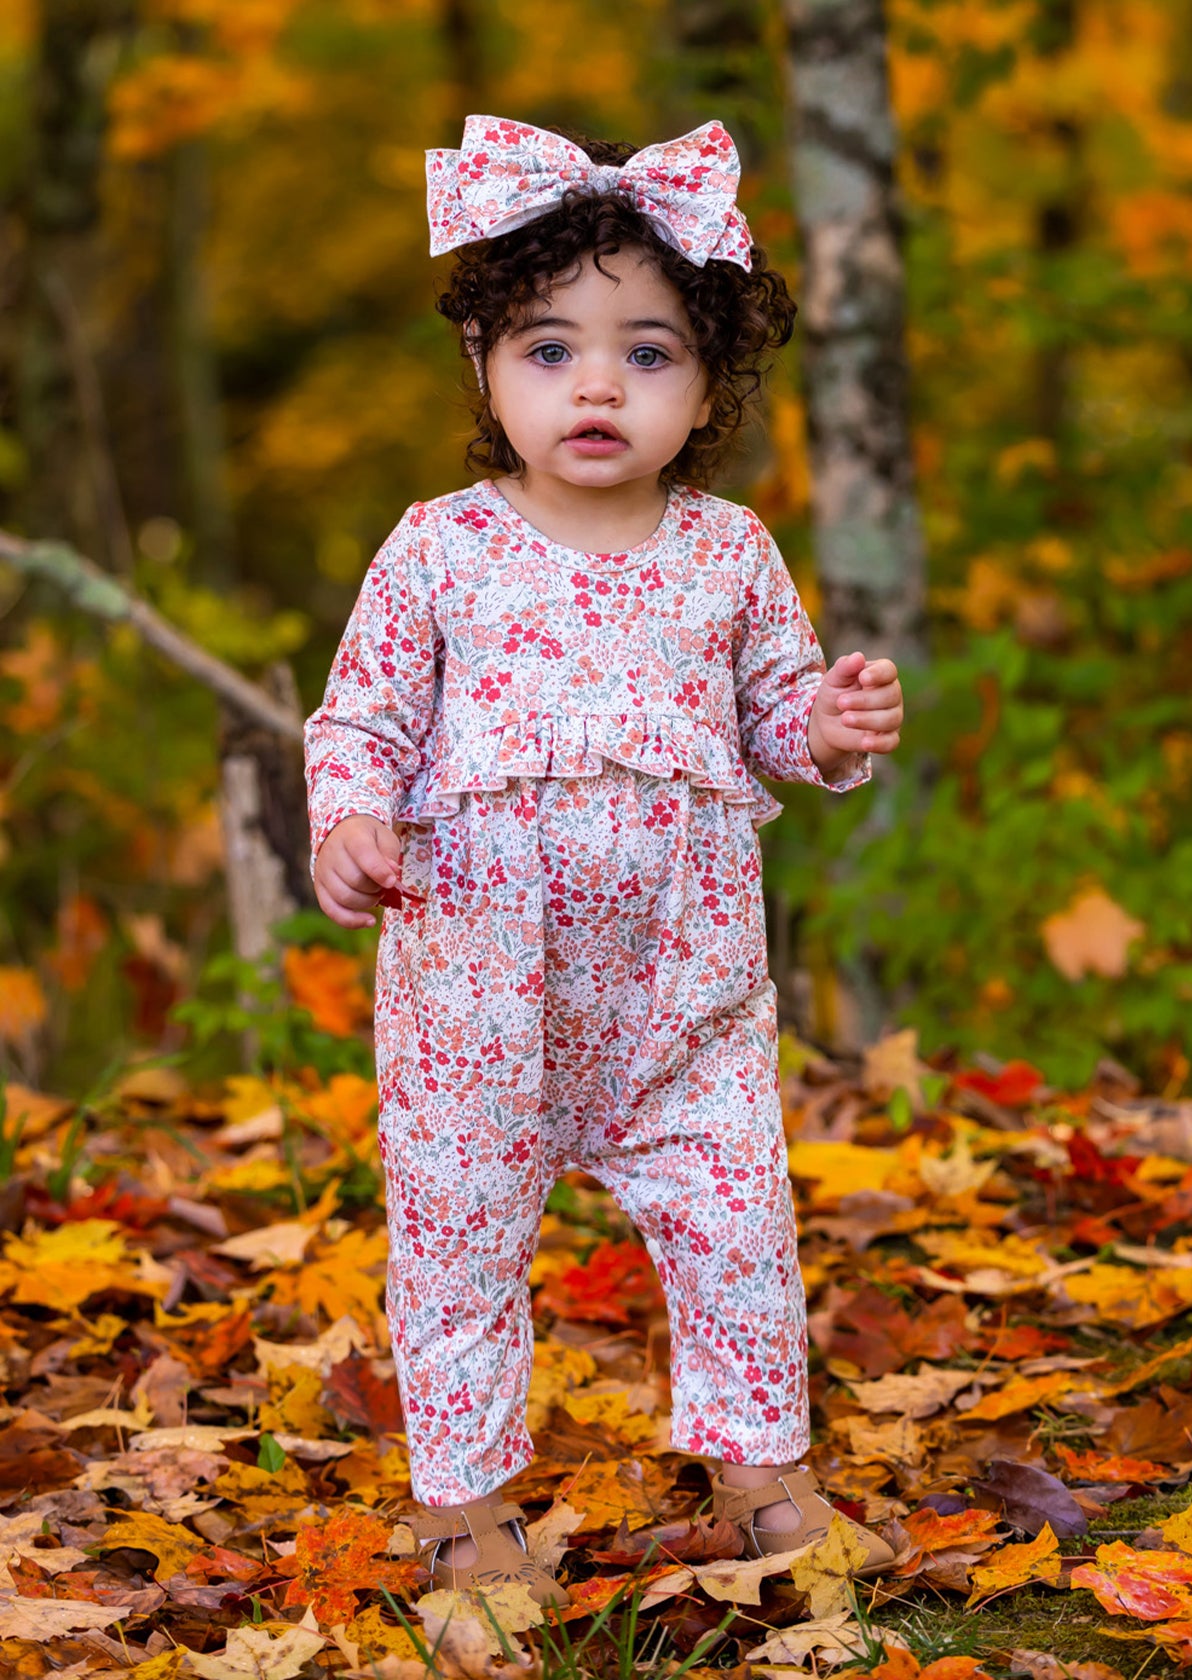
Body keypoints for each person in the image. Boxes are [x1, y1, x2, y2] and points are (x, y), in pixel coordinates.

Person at [304, 115, 904, 1605]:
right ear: (486, 370)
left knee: (735, 1209)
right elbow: (362, 709)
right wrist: (350, 816)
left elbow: (772, 717)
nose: (595, 383)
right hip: (475, 990)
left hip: (680, 983)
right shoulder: (440, 546)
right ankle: (467, 1512)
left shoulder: (729, 551)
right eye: (549, 347)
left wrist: (826, 723)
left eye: (647, 352)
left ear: (705, 387)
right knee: (456, 1234)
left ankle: (767, 1471)